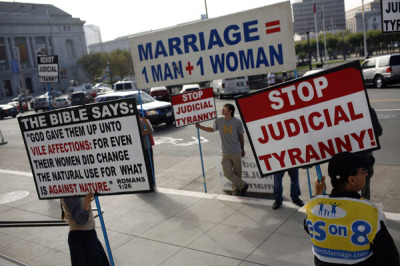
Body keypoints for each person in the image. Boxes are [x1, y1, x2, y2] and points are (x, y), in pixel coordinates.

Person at [304, 152, 399, 265]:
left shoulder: (313, 207)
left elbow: (308, 227)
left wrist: (317, 195)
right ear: (352, 180)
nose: (366, 174)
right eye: (364, 171)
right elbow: (390, 259)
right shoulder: (369, 213)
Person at [196, 103, 249, 196]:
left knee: (237, 173)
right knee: (227, 173)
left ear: (230, 111)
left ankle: (236, 191)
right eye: (223, 108)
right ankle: (243, 185)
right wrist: (200, 127)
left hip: (236, 151)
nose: (222, 109)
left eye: (225, 108)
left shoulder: (237, 122)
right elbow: (212, 129)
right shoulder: (219, 121)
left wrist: (242, 149)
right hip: (225, 152)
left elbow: (241, 137)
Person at [61, 193, 110, 266]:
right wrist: (87, 204)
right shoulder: (69, 195)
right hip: (81, 239)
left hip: (89, 236)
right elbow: (81, 220)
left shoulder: (78, 190)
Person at [360, 107, 382, 199]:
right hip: (365, 155)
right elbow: (379, 131)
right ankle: (365, 207)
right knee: (365, 185)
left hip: (347, 156)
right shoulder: (368, 109)